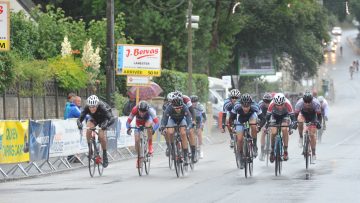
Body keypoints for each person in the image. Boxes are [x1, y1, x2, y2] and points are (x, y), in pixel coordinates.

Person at [77, 95, 115, 168]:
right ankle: (90, 150)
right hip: (94, 119)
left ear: (97, 105)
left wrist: (106, 125)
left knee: (101, 136)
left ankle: (104, 155)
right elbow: (80, 118)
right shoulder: (87, 107)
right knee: (88, 129)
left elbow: (112, 119)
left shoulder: (102, 107)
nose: (92, 109)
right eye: (90, 107)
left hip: (104, 120)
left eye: (94, 107)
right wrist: (79, 124)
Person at [229, 93, 261, 169]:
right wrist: (232, 126)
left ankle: (254, 145)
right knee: (239, 139)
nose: (245, 108)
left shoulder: (255, 106)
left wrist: (259, 127)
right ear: (241, 104)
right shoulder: (236, 106)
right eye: (244, 106)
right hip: (240, 119)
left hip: (251, 117)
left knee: (253, 125)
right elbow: (231, 118)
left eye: (247, 106)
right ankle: (240, 155)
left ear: (251, 104)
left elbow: (262, 118)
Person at [126, 101, 159, 168]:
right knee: (137, 140)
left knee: (148, 126)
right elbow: (128, 121)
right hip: (138, 122)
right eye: (141, 111)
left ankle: (150, 146)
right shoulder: (134, 109)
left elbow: (157, 123)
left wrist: (153, 130)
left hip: (148, 120)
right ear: (138, 109)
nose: (142, 113)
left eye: (144, 112)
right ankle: (139, 158)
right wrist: (128, 128)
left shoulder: (150, 111)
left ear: (147, 110)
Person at [161, 95, 193, 164]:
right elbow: (164, 119)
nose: (178, 109)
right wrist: (162, 127)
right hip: (172, 120)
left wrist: (188, 127)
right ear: (172, 106)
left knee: (183, 133)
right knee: (170, 132)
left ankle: (185, 154)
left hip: (182, 120)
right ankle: (172, 147)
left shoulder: (184, 107)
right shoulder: (169, 108)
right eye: (176, 108)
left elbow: (189, 120)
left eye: (179, 108)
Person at [266, 93, 296, 163]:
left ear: (284, 103)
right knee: (273, 131)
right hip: (274, 116)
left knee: (284, 129)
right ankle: (272, 150)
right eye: (277, 105)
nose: (279, 107)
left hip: (284, 116)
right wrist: (267, 125)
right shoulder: (271, 104)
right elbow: (267, 117)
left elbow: (292, 117)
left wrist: (293, 123)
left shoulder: (288, 103)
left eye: (281, 105)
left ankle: (285, 150)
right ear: (274, 103)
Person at [295, 90, 322, 161]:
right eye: (305, 102)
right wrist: (294, 122)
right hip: (303, 114)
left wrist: (319, 123)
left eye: (309, 102)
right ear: (303, 100)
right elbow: (295, 115)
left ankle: (313, 153)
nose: (307, 104)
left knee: (312, 135)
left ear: (312, 100)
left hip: (313, 116)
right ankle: (301, 137)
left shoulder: (316, 103)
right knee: (299, 121)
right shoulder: (299, 103)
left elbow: (319, 116)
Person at [172, 90, 198, 163]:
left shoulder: (186, 99)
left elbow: (192, 111)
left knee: (190, 131)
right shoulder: (172, 100)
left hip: (187, 115)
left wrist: (193, 120)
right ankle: (177, 150)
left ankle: (193, 154)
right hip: (178, 116)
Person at [258, 93, 273, 161]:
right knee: (263, 132)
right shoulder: (260, 106)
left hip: (271, 118)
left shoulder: (273, 105)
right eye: (266, 102)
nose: (267, 103)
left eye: (269, 101)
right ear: (263, 101)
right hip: (263, 118)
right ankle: (262, 151)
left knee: (273, 130)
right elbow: (258, 116)